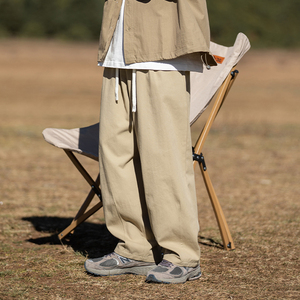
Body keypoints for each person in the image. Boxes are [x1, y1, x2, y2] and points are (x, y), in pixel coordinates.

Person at [84, 0, 216, 284]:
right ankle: (134, 248)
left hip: (162, 47)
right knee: (115, 154)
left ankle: (183, 255)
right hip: (116, 49)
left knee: (164, 157)